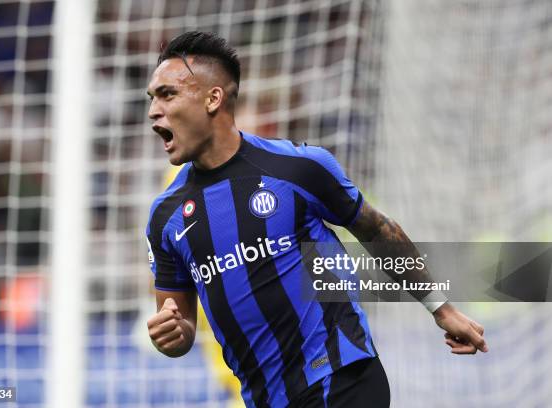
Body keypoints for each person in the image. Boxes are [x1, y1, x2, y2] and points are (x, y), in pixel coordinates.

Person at [145, 31, 487, 408]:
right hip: (265, 398)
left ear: (213, 99)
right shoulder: (165, 217)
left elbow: (377, 230)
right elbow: (180, 324)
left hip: (341, 377)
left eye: (167, 94)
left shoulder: (297, 168)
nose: (153, 111)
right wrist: (173, 336)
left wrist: (441, 308)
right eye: (152, 98)